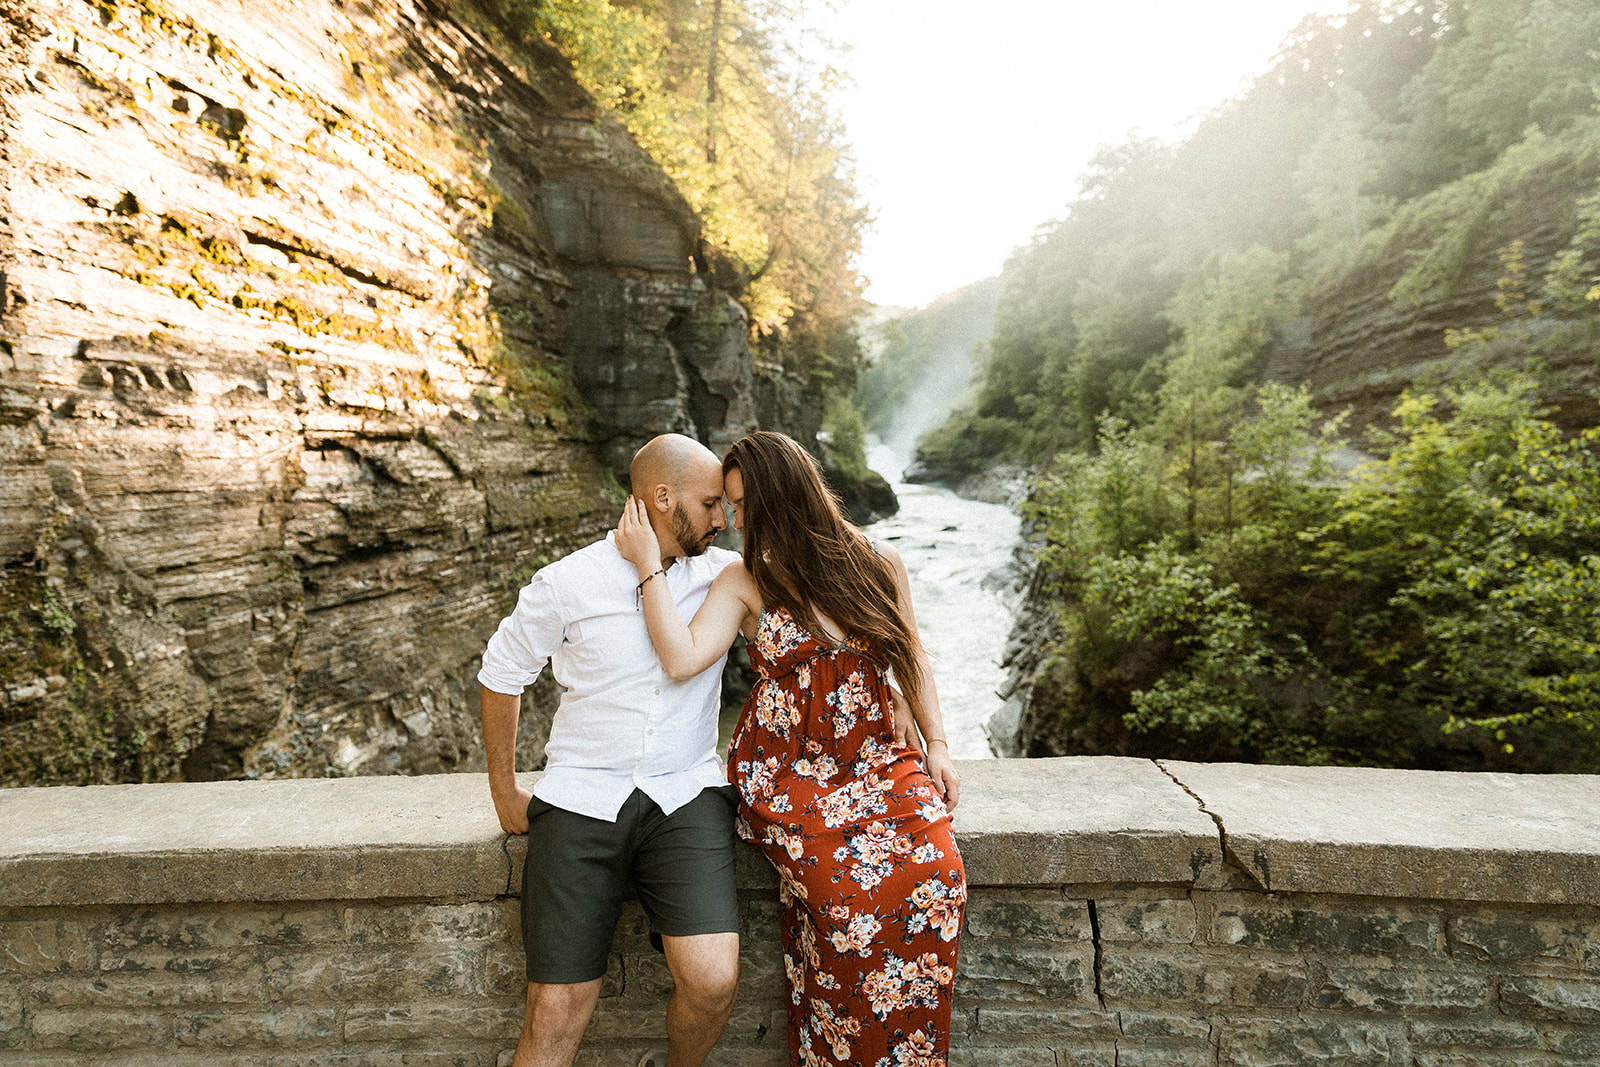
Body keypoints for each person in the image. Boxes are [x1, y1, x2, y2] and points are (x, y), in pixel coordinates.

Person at [616, 430, 966, 1067]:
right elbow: (680, 656)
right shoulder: (744, 579)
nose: (733, 520)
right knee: (845, 894)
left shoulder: (880, 564)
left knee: (938, 875)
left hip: (878, 758)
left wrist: (937, 743)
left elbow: (909, 654)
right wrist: (647, 566)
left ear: (786, 496)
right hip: (786, 773)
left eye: (744, 504)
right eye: (727, 504)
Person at [477, 433, 744, 1067]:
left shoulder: (724, 578)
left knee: (712, 982)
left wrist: (898, 688)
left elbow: (818, 631)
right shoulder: (568, 581)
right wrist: (503, 790)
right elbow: (502, 672)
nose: (723, 517)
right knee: (556, 1007)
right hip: (580, 797)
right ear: (661, 498)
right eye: (709, 503)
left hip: (687, 795)